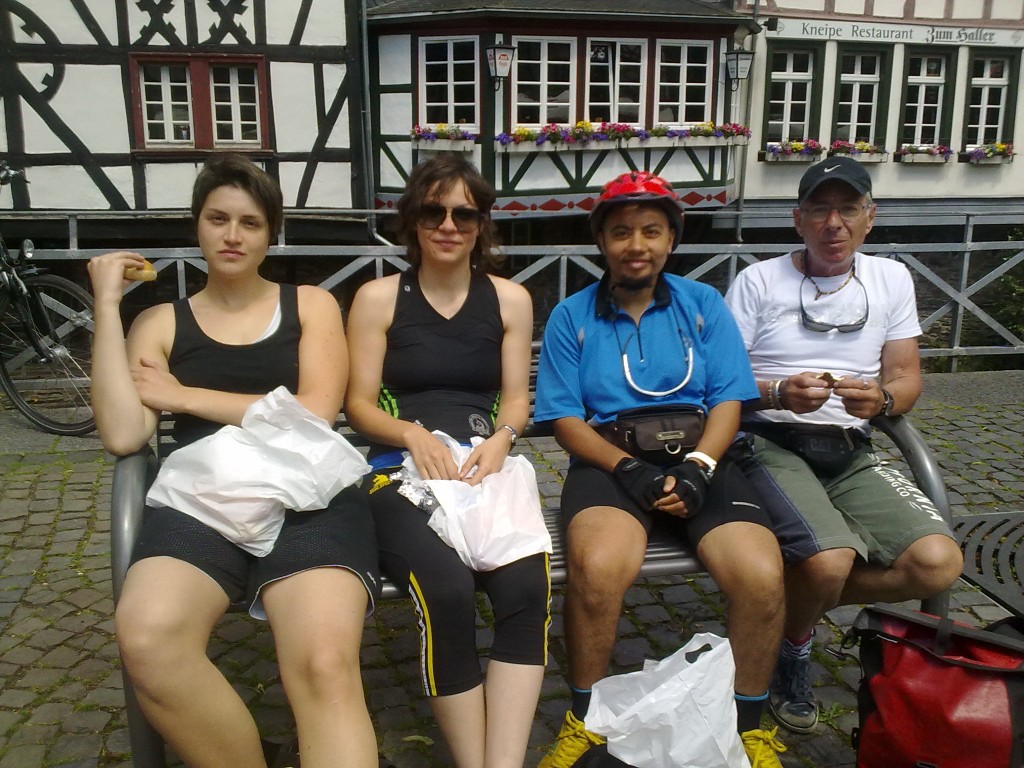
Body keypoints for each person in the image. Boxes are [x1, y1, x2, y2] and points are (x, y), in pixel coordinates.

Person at [88, 153, 380, 768]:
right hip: (205, 499)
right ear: (197, 224)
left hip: (310, 495)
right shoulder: (160, 321)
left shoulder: (310, 305)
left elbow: (315, 412)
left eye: (250, 222)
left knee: (323, 663)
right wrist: (108, 307)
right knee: (148, 637)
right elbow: (123, 433)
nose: (232, 235)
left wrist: (185, 396)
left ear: (270, 234)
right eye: (217, 218)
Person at [534, 171, 787, 768]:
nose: (636, 245)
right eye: (621, 232)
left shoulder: (703, 305)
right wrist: (629, 470)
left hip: (702, 455)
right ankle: (584, 720)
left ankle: (747, 726)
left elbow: (728, 398)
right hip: (612, 460)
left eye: (651, 231)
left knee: (761, 576)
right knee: (597, 571)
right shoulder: (571, 316)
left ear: (671, 239)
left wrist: (700, 467)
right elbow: (564, 418)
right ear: (601, 241)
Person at [723, 156, 964, 734]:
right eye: (820, 210)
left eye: (849, 209)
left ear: (869, 217)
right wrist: (777, 390)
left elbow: (906, 378)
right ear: (798, 219)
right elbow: (721, 380)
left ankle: (778, 605)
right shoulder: (758, 281)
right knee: (829, 560)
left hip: (851, 445)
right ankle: (795, 646)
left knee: (939, 563)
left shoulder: (891, 279)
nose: (835, 223)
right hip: (768, 439)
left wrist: (882, 400)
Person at [345, 153, 550, 768]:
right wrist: (410, 433)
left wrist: (504, 437)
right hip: (399, 470)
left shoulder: (510, 300)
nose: (449, 225)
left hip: (482, 464)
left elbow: (516, 398)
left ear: (482, 223)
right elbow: (358, 405)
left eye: (465, 213)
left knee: (526, 588)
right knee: (448, 590)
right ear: (413, 219)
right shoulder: (378, 298)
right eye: (434, 211)